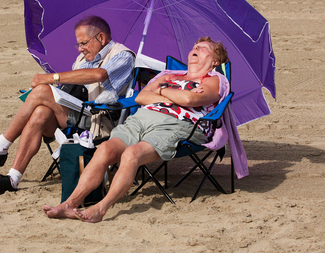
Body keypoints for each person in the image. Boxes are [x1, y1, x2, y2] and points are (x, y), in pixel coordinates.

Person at [43, 36, 229, 223]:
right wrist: (174, 96)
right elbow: (141, 98)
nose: (195, 48)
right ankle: (70, 204)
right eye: (194, 46)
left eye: (203, 48)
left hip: (176, 124)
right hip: (142, 119)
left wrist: (161, 91)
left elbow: (190, 101)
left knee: (132, 154)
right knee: (106, 149)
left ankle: (101, 207)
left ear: (215, 61)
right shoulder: (168, 76)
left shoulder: (214, 80)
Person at [0, 15, 135, 194]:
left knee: (43, 90)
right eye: (78, 44)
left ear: (101, 38)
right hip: (77, 116)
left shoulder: (123, 55)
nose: (80, 49)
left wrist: (51, 78)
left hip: (100, 121)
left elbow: (99, 75)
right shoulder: (81, 60)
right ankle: (13, 177)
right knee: (40, 113)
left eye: (83, 43)